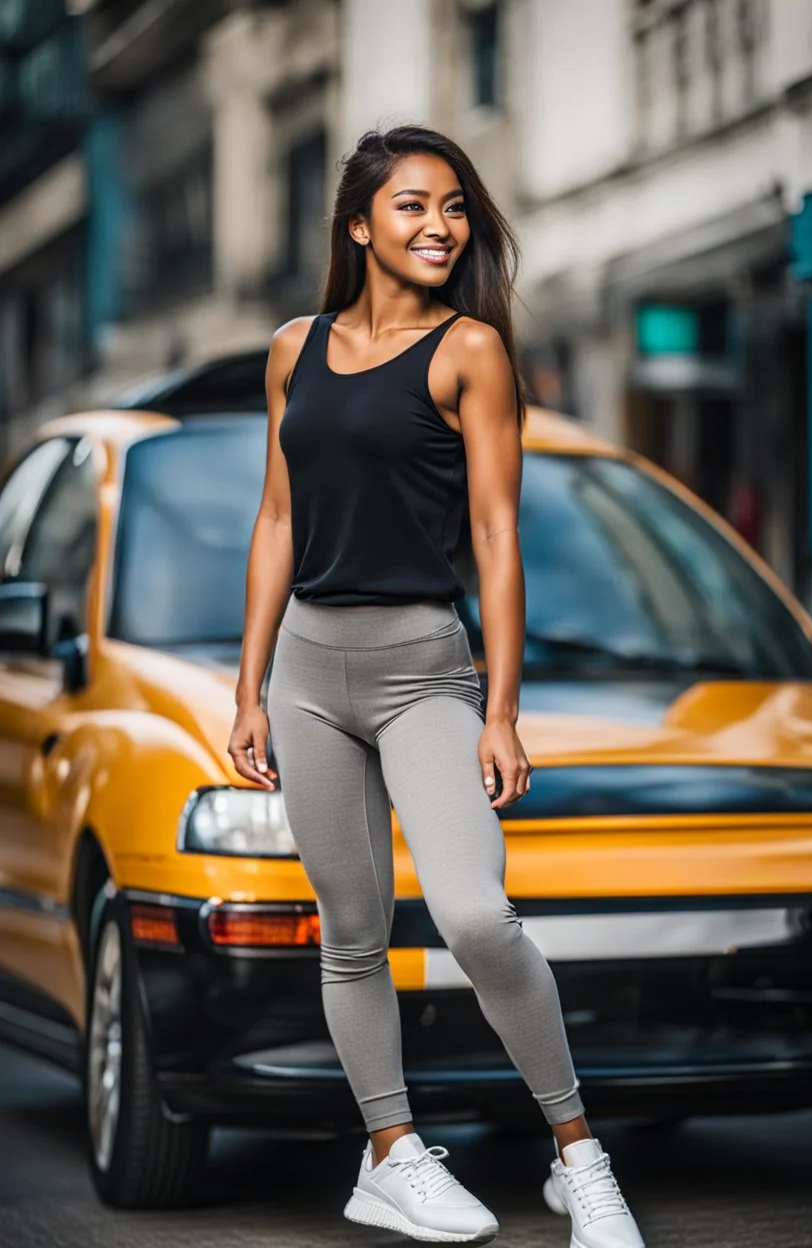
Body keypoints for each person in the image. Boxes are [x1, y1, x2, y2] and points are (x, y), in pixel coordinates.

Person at [228, 124, 644, 1248]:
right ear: (359, 225)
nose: (439, 226)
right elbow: (276, 519)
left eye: (454, 206)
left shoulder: (470, 351)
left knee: (474, 914)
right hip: (308, 669)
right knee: (350, 933)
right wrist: (249, 687)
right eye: (412, 205)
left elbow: (498, 537)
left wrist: (499, 708)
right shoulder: (291, 349)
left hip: (423, 672)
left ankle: (578, 1156)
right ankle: (389, 1153)